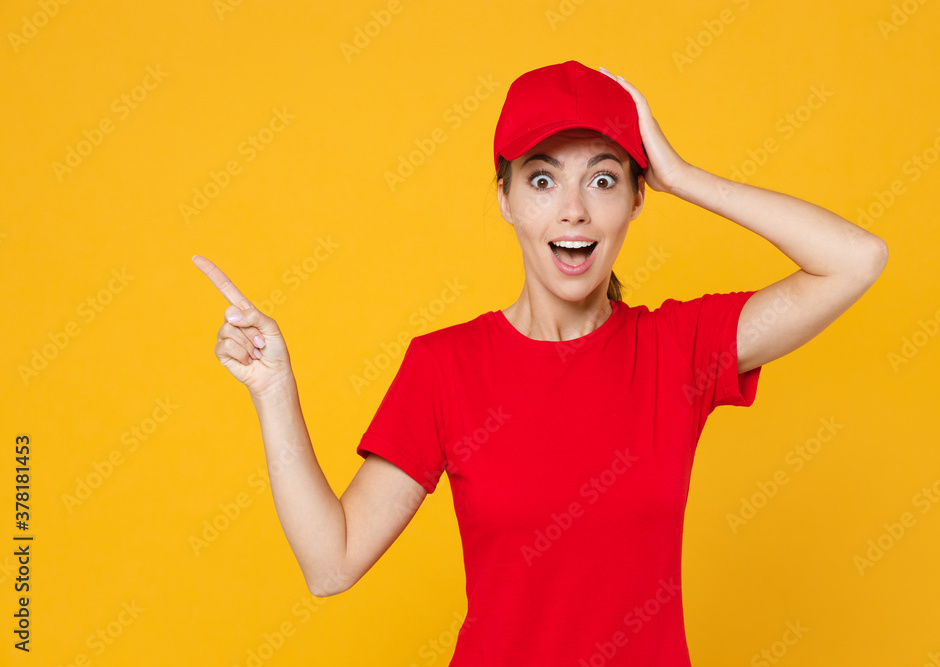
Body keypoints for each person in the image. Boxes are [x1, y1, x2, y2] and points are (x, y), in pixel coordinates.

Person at [193, 60, 887, 665]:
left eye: (605, 179)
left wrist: (683, 175)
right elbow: (330, 563)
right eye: (544, 180)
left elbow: (856, 261)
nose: (576, 211)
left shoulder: (679, 348)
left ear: (636, 200)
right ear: (506, 199)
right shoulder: (446, 368)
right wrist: (274, 388)